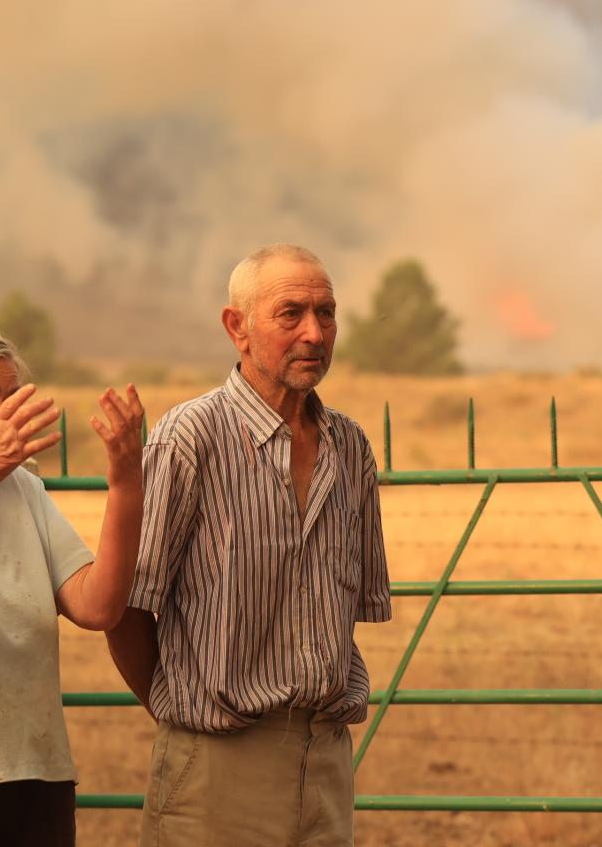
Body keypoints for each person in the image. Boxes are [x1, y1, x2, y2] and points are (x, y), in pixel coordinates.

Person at [106, 243, 392, 847]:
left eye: (327, 313)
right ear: (237, 327)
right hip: (217, 767)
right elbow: (126, 608)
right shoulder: (192, 437)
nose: (315, 333)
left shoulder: (350, 446)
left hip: (326, 761)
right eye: (290, 314)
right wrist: (183, 718)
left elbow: (343, 610)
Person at [0, 322, 146, 847]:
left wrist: (126, 484)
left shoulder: (24, 487)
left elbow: (98, 606)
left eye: (11, 396)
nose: (4, 414)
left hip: (36, 775)